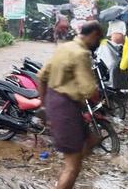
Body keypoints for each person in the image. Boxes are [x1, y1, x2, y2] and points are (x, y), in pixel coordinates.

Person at [38, 21, 103, 189]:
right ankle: (65, 176)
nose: (98, 43)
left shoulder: (63, 47)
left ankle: (68, 170)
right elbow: (89, 89)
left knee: (91, 139)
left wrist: (44, 104)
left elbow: (42, 76)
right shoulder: (81, 54)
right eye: (99, 39)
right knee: (72, 166)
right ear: (94, 35)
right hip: (67, 107)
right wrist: (98, 94)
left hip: (55, 103)